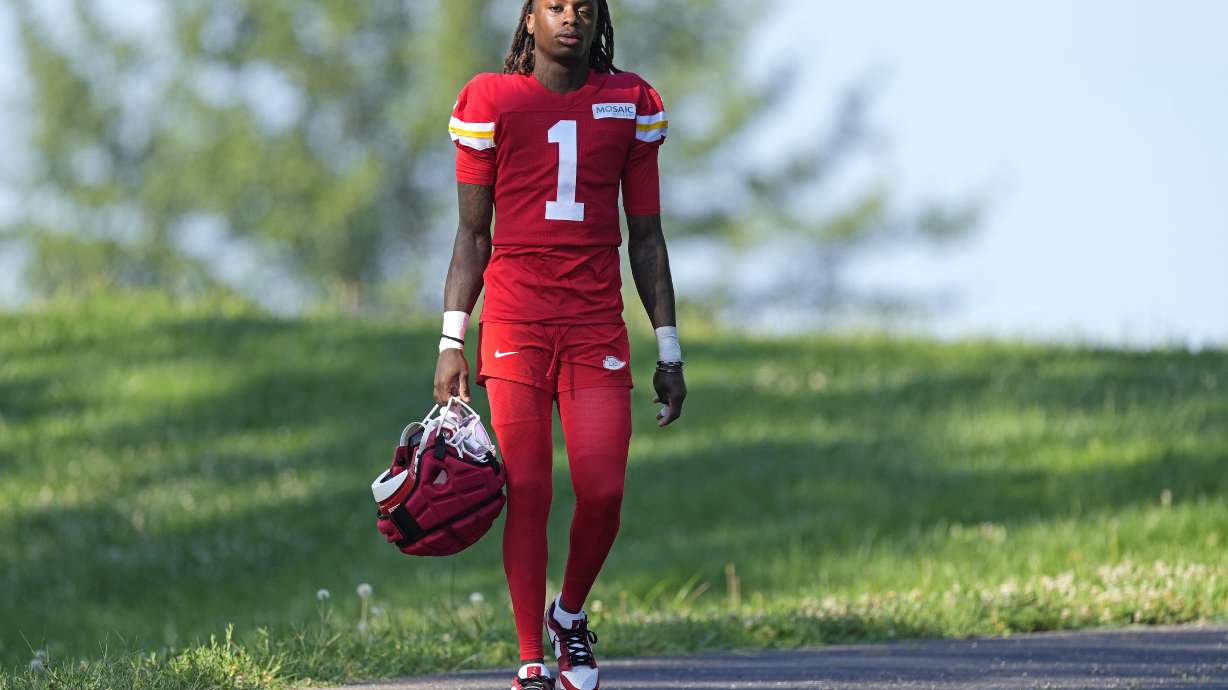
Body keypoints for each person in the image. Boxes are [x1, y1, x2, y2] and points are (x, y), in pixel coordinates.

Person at [431, 2, 686, 688]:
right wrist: (451, 340)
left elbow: (649, 237)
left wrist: (669, 350)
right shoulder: (491, 100)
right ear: (529, 21)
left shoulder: (630, 101)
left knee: (602, 491)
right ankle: (531, 658)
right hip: (515, 321)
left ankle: (568, 615)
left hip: (595, 325)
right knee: (530, 487)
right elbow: (471, 235)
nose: (569, 18)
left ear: (599, 20)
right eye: (554, 6)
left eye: (583, 7)